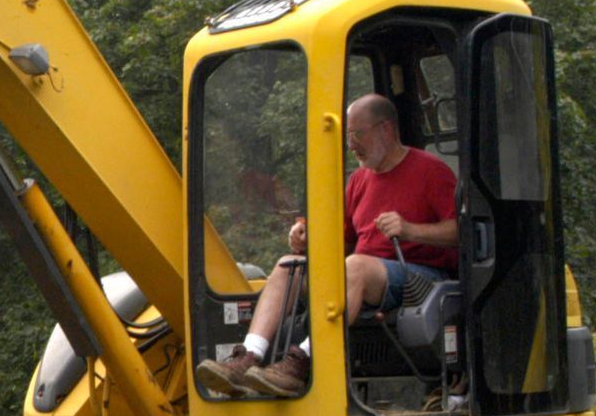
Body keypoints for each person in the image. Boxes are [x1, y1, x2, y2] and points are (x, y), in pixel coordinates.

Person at [196, 93, 458, 398]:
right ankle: (248, 358)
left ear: (386, 129)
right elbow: (339, 235)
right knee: (286, 266)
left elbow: (459, 232)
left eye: (357, 134)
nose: (351, 145)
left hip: (421, 279)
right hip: (364, 274)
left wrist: (409, 229)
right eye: (348, 136)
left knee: (355, 266)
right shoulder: (359, 180)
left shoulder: (430, 171)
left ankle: (302, 360)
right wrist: (304, 234)